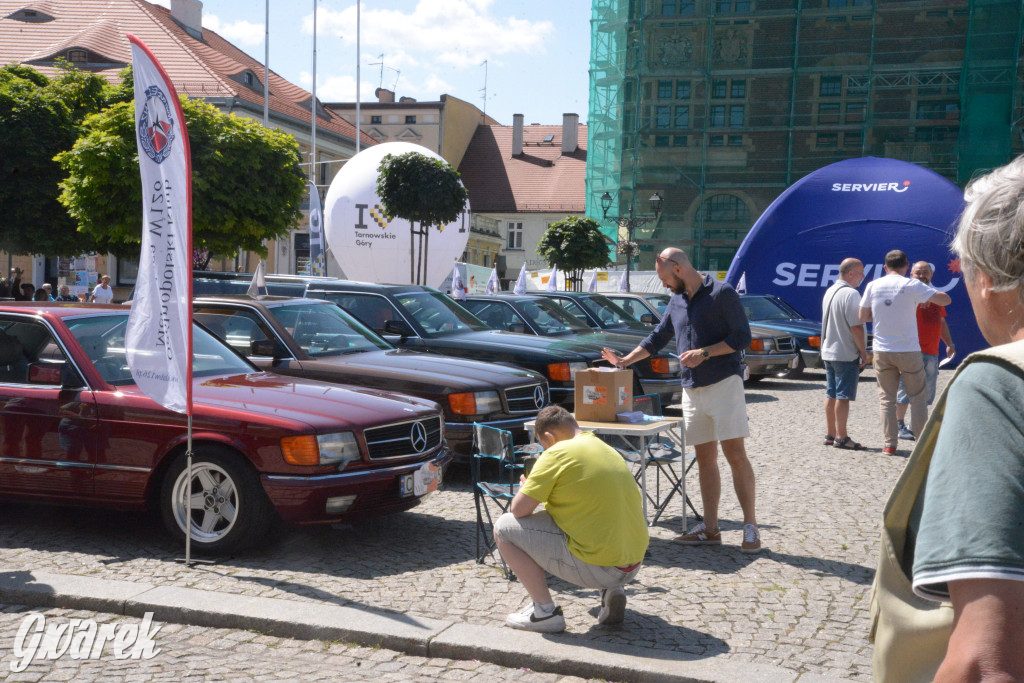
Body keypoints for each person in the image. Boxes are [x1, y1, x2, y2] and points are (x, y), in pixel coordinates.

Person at [871, 156, 1024, 682]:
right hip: (918, 352)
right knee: (917, 400)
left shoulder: (1000, 384)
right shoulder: (920, 288)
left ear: (990, 279)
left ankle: (894, 442)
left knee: (890, 404)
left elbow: (985, 662)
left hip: (883, 351)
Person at [600, 247, 761, 553]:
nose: (662, 284)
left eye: (662, 277)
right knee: (704, 459)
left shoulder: (722, 293)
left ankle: (750, 526)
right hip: (691, 388)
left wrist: (704, 353)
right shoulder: (676, 299)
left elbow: (742, 337)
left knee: (735, 455)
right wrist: (624, 361)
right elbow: (657, 337)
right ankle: (711, 529)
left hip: (724, 383)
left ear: (675, 268)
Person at [493, 405, 648, 632]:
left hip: (599, 568)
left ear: (549, 437)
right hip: (633, 564)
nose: (545, 449)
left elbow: (518, 511)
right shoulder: (605, 448)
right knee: (587, 516)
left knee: (503, 528)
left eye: (543, 444)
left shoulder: (557, 452)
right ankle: (612, 590)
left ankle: (545, 613)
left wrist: (526, 488)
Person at [859, 250, 950, 455]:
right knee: (917, 397)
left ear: (885, 267)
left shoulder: (873, 285)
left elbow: (863, 315)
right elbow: (945, 301)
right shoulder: (912, 285)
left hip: (882, 349)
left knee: (886, 399)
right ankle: (920, 444)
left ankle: (889, 444)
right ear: (907, 266)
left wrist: (886, 316)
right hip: (908, 349)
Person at [893, 261, 955, 441]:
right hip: (910, 350)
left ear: (931, 275)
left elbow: (941, 321)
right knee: (905, 388)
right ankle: (899, 424)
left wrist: (949, 342)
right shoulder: (906, 293)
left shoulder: (935, 295)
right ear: (910, 274)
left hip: (932, 351)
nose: (922, 276)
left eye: (925, 272)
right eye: (918, 272)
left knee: (927, 391)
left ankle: (916, 426)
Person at [821, 258, 869, 449]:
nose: (863, 276)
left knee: (830, 393)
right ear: (850, 274)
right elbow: (856, 327)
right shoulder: (851, 294)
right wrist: (863, 352)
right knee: (843, 396)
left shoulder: (830, 291)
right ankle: (842, 437)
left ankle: (830, 434)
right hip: (845, 352)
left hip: (829, 351)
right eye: (860, 272)